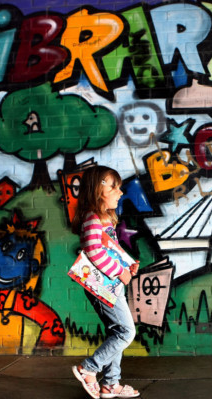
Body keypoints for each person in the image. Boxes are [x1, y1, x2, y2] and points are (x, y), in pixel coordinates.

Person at [70, 165, 140, 399]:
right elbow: (94, 252)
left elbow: (107, 250)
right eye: (115, 187)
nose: (120, 192)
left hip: (110, 285)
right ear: (99, 191)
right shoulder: (92, 218)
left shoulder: (104, 219)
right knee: (126, 332)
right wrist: (119, 272)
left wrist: (125, 264)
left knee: (116, 332)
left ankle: (111, 384)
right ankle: (89, 368)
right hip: (103, 286)